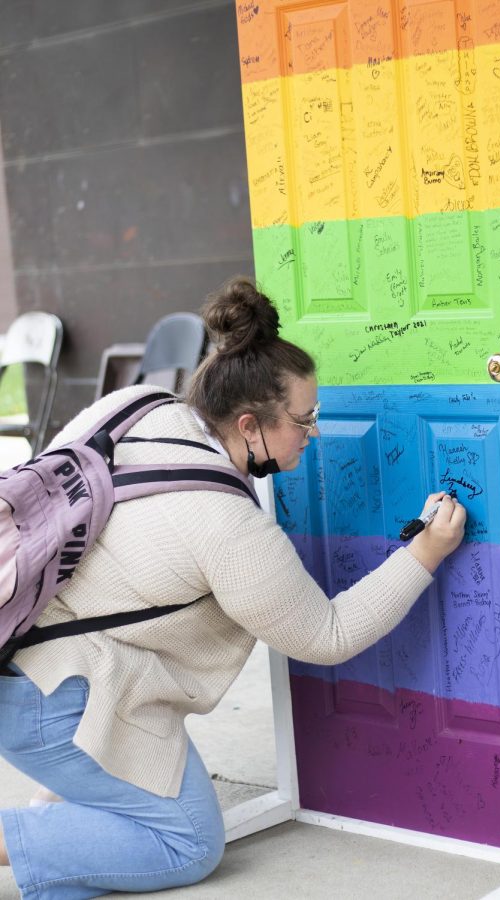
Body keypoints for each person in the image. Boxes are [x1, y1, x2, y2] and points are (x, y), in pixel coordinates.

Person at [0, 277, 465, 899]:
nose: (314, 434)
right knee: (188, 841)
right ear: (249, 425)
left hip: (21, 645)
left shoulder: (137, 405)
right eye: (304, 421)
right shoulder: (228, 527)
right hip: (49, 698)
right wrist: (426, 552)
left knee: (91, 857)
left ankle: (61, 817)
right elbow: (326, 635)